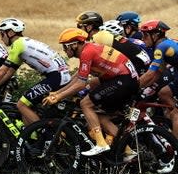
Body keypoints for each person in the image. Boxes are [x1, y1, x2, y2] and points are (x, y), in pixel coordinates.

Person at [43, 28, 141, 156]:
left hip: (123, 80)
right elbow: (79, 76)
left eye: (65, 46)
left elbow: (81, 84)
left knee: (85, 104)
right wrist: (57, 93)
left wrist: (59, 97)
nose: (64, 50)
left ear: (74, 45)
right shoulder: (88, 49)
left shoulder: (87, 52)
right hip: (125, 80)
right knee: (102, 118)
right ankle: (127, 151)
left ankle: (101, 144)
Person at [0, 18, 70, 125]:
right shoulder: (24, 43)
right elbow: (9, 73)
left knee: (22, 105)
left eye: (2, 34)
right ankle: (31, 136)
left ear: (11, 33)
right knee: (27, 107)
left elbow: (2, 70)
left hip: (56, 77)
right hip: (60, 76)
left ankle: (43, 131)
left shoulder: (18, 45)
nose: (1, 38)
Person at [137, 20, 178, 136]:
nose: (143, 38)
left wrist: (133, 86)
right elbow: (158, 73)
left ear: (155, 35)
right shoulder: (165, 43)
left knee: (175, 114)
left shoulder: (160, 47)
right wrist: (142, 85)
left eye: (145, 35)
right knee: (163, 93)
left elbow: (151, 73)